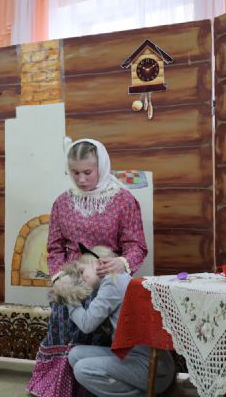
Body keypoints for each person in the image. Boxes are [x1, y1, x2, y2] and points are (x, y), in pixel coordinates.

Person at [27, 138, 148, 397]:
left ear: (101, 167)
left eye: (87, 172)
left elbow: (136, 246)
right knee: (63, 320)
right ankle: (58, 388)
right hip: (70, 280)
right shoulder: (62, 203)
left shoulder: (124, 201)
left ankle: (95, 384)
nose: (81, 179)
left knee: (98, 329)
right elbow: (55, 248)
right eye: (75, 173)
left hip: (105, 281)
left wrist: (122, 262)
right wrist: (59, 278)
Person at [53, 246, 175, 397]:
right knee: (75, 354)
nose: (80, 278)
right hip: (148, 363)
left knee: (82, 369)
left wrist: (67, 294)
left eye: (82, 271)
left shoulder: (113, 282)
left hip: (153, 369)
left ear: (99, 263)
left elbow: (86, 324)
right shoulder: (117, 279)